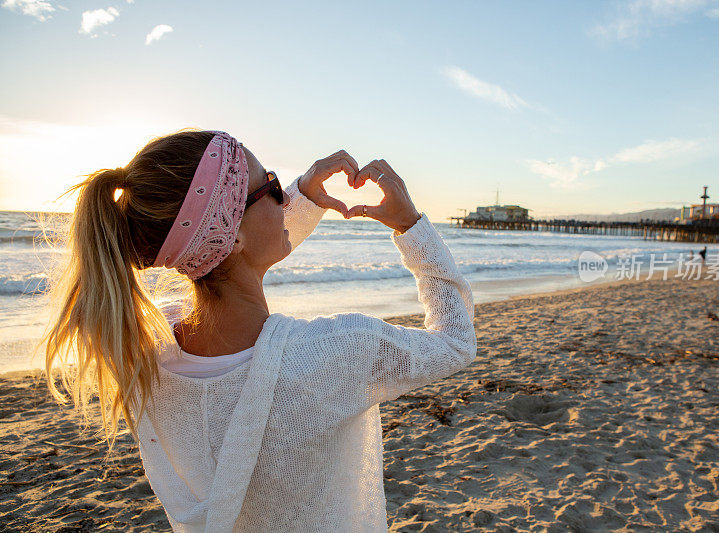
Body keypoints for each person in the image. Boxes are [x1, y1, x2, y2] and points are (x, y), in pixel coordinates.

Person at [39, 130, 477, 532]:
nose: (283, 199)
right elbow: (455, 341)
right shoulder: (336, 353)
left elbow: (232, 257)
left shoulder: (143, 353)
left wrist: (302, 196)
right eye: (270, 186)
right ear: (230, 238)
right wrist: (410, 225)